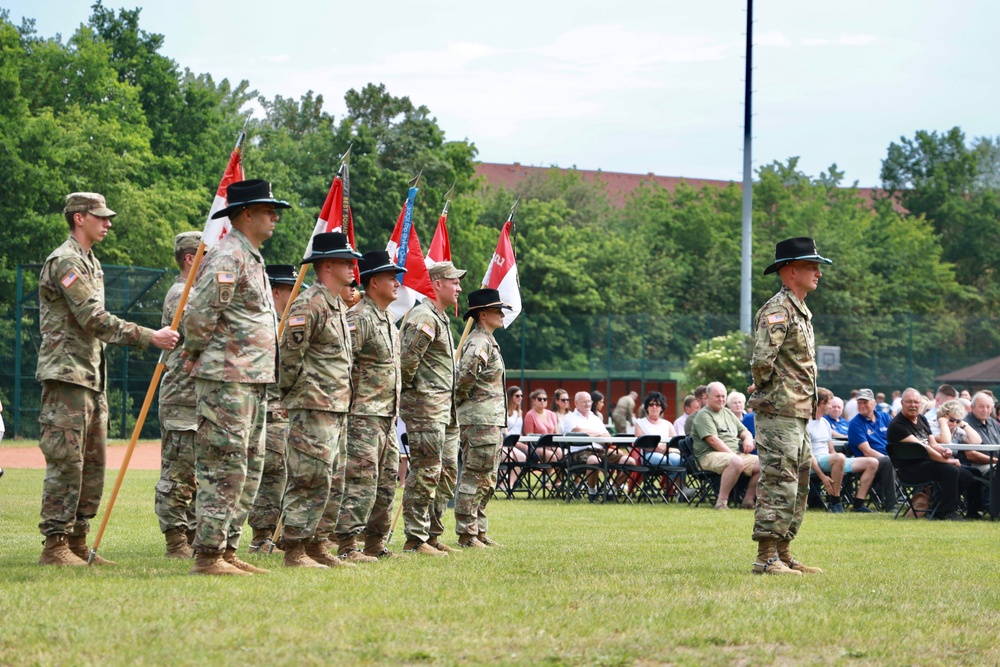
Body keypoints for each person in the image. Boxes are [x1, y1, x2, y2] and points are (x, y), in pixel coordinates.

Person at [36, 192, 179, 567]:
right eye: (101, 217)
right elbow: (94, 320)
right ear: (79, 218)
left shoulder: (90, 262)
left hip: (89, 377)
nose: (108, 223)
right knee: (67, 462)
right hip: (66, 377)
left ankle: (78, 542)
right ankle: (55, 546)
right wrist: (151, 336)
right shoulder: (66, 260)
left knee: (93, 464)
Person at [182, 179, 286, 576]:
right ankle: (208, 554)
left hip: (252, 381)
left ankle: (226, 549)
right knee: (224, 465)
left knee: (248, 466)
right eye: (267, 211)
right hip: (227, 379)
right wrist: (195, 354)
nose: (274, 217)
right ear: (246, 214)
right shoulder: (228, 256)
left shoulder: (251, 257)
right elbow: (200, 313)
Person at [277, 232, 362, 569]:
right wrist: (295, 395)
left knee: (332, 480)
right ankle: (294, 550)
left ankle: (317, 545)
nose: (352, 266)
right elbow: (289, 356)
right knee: (308, 477)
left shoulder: (337, 305)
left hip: (337, 407)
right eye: (345, 261)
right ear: (327, 266)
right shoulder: (308, 304)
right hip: (312, 407)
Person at [747, 236, 832, 576]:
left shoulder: (800, 310)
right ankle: (765, 556)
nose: (818, 273)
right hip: (779, 411)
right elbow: (761, 360)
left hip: (797, 413)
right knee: (778, 482)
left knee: (797, 483)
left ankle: (782, 552)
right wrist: (766, 387)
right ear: (790, 270)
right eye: (812, 267)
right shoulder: (778, 309)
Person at [333, 251, 407, 561]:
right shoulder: (358, 318)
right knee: (360, 481)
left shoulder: (388, 318)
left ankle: (376, 543)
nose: (397, 283)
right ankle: (348, 546)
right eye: (391, 277)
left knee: (386, 481)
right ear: (373, 282)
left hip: (386, 416)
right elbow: (341, 366)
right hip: (361, 415)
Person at [400, 260, 466, 557]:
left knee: (447, 471)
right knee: (426, 471)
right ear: (437, 283)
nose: (459, 287)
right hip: (426, 407)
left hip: (445, 409)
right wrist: (415, 398)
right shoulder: (423, 316)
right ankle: (415, 539)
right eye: (454, 281)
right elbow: (405, 363)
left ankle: (432, 533)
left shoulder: (440, 318)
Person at [155, 231, 202, 559]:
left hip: (198, 400)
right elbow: (203, 332)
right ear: (190, 258)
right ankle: (176, 540)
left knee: (198, 474)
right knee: (179, 474)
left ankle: (196, 537)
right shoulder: (180, 294)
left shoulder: (197, 293)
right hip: (181, 400)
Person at [454, 289, 510, 548]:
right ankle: (467, 533)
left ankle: (479, 531)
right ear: (482, 314)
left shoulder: (488, 340)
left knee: (487, 478)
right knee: (474, 476)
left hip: (490, 420)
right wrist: (466, 404)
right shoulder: (478, 342)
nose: (502, 313)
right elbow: (465, 377)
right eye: (497, 309)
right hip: (478, 420)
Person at [247, 264, 297, 553]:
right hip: (269, 410)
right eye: (290, 289)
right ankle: (261, 537)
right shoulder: (265, 323)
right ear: (276, 291)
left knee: (286, 474)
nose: (294, 295)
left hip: (287, 410)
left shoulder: (288, 323)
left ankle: (278, 534)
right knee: (272, 474)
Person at [887, 388, 975, 520]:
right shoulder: (897, 425)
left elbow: (932, 444)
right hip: (910, 470)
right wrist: (949, 461)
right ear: (902, 403)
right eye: (909, 402)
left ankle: (939, 507)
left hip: (928, 464)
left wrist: (944, 451)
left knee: (967, 475)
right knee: (951, 470)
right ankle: (945, 512)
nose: (913, 405)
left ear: (921, 403)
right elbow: (924, 448)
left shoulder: (922, 419)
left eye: (916, 402)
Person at [690, 382, 759, 512]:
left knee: (765, 463)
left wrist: (748, 439)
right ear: (707, 397)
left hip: (733, 454)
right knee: (736, 461)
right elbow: (713, 440)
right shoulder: (704, 415)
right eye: (717, 396)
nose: (721, 399)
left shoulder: (727, 412)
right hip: (708, 456)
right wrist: (734, 456)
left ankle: (748, 500)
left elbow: (744, 431)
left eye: (723, 396)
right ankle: (721, 502)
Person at [807, 387, 878, 514]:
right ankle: (835, 502)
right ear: (821, 403)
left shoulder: (825, 423)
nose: (830, 407)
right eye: (829, 403)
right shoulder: (805, 423)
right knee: (839, 457)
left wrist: (839, 462)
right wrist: (822, 476)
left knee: (872, 462)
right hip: (811, 462)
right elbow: (806, 454)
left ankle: (858, 504)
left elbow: (831, 450)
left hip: (828, 459)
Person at [847, 388, 897, 512]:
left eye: (865, 402)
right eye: (860, 403)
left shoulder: (885, 417)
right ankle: (891, 505)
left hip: (890, 458)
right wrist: (891, 458)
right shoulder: (855, 424)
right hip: (869, 461)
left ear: (874, 403)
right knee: (888, 462)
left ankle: (922, 503)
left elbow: (896, 439)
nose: (862, 405)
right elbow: (867, 451)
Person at [563, 390, 614, 501]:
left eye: (589, 401)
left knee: (628, 461)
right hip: (577, 452)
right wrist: (599, 434)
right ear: (576, 403)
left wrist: (595, 435)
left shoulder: (595, 418)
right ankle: (593, 492)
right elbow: (579, 431)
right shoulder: (569, 418)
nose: (588, 404)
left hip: (599, 450)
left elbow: (608, 436)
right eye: (584, 401)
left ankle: (611, 490)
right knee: (593, 460)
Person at [633, 392, 679, 466]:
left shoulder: (668, 424)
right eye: (651, 404)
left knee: (678, 461)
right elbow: (641, 443)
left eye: (657, 405)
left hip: (668, 452)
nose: (654, 407)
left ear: (661, 408)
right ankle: (670, 474)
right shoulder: (640, 423)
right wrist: (657, 449)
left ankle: (672, 477)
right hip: (648, 454)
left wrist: (667, 449)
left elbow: (676, 444)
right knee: (664, 461)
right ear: (647, 407)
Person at [522, 388, 563, 467]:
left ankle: (557, 479)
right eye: (539, 399)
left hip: (551, 445)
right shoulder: (530, 415)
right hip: (536, 446)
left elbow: (556, 432)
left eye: (545, 399)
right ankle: (547, 478)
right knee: (552, 457)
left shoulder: (551, 414)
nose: (542, 401)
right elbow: (530, 436)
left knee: (563, 455)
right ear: (534, 400)